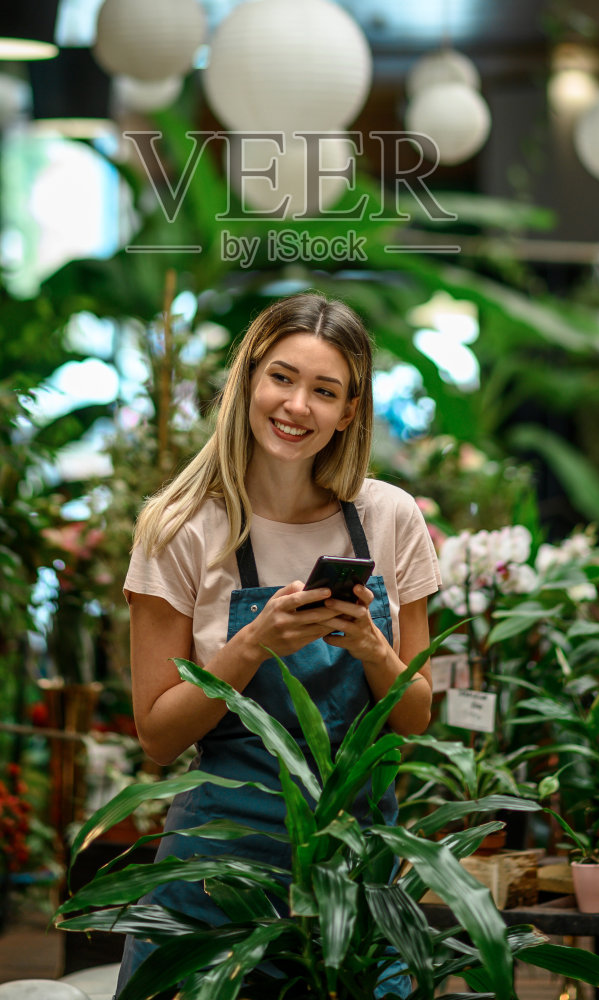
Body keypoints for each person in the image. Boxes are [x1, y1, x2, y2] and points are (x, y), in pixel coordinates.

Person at [114, 291, 441, 996]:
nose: (297, 407)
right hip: (217, 883)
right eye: (282, 378)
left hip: (353, 877)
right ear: (249, 378)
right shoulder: (179, 529)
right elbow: (156, 734)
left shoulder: (387, 519)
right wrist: (251, 645)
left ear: (349, 412)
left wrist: (370, 648)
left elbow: (415, 716)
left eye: (324, 391)